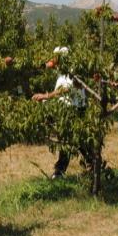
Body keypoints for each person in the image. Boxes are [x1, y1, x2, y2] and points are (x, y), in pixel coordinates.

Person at [31, 46, 88, 179]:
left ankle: (61, 171)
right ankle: (87, 165)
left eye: (56, 58)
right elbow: (47, 65)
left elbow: (66, 89)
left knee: (72, 141)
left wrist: (46, 96)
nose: (54, 60)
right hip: (66, 109)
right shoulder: (62, 70)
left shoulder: (72, 70)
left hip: (75, 109)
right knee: (71, 141)